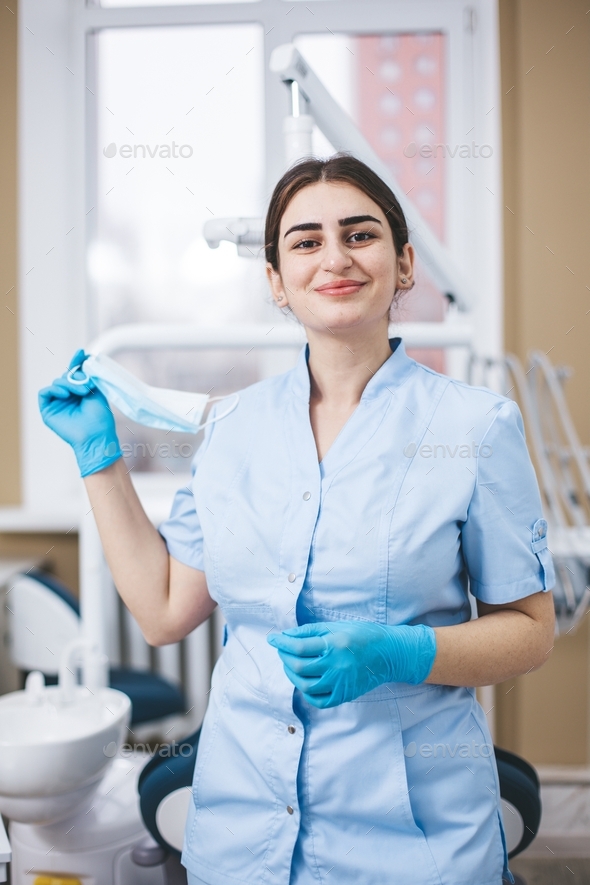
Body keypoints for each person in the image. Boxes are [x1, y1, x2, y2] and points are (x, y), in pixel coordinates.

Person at [39, 155, 555, 885]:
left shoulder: (476, 427)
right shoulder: (233, 427)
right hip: (241, 827)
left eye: (360, 234)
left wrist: (401, 653)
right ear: (277, 280)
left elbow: (531, 631)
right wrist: (99, 456)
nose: (336, 257)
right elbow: (161, 611)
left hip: (413, 838)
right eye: (306, 241)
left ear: (403, 263)